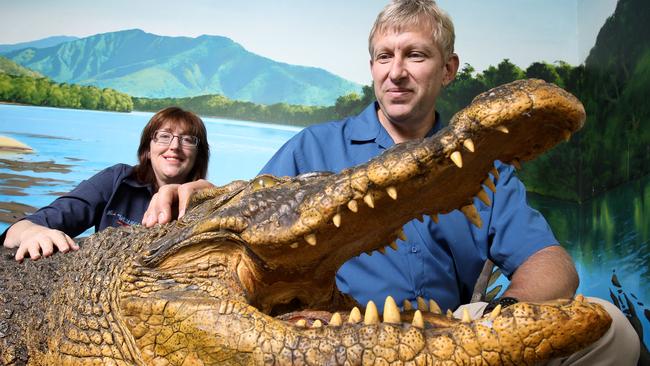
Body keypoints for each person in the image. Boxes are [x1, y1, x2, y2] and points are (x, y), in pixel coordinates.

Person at [142, 1, 640, 364]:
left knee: (613, 328)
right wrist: (196, 193)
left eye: (415, 56)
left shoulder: (487, 166)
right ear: (372, 68)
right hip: (328, 341)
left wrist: (496, 320)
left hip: (446, 340)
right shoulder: (312, 147)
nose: (396, 73)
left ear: (448, 70)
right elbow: (247, 223)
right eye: (385, 57)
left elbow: (549, 261)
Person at [2, 106, 210, 263]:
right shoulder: (116, 180)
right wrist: (31, 232)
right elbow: (18, 230)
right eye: (164, 136)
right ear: (148, 148)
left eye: (187, 140)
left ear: (198, 156)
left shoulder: (210, 199)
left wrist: (210, 199)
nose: (174, 146)